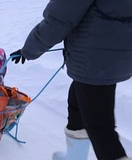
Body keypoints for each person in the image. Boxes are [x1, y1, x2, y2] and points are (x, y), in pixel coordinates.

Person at [10, 0, 132, 159]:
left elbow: (59, 20)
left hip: (93, 58)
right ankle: (75, 156)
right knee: (78, 106)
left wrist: (29, 50)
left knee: (99, 126)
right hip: (114, 52)